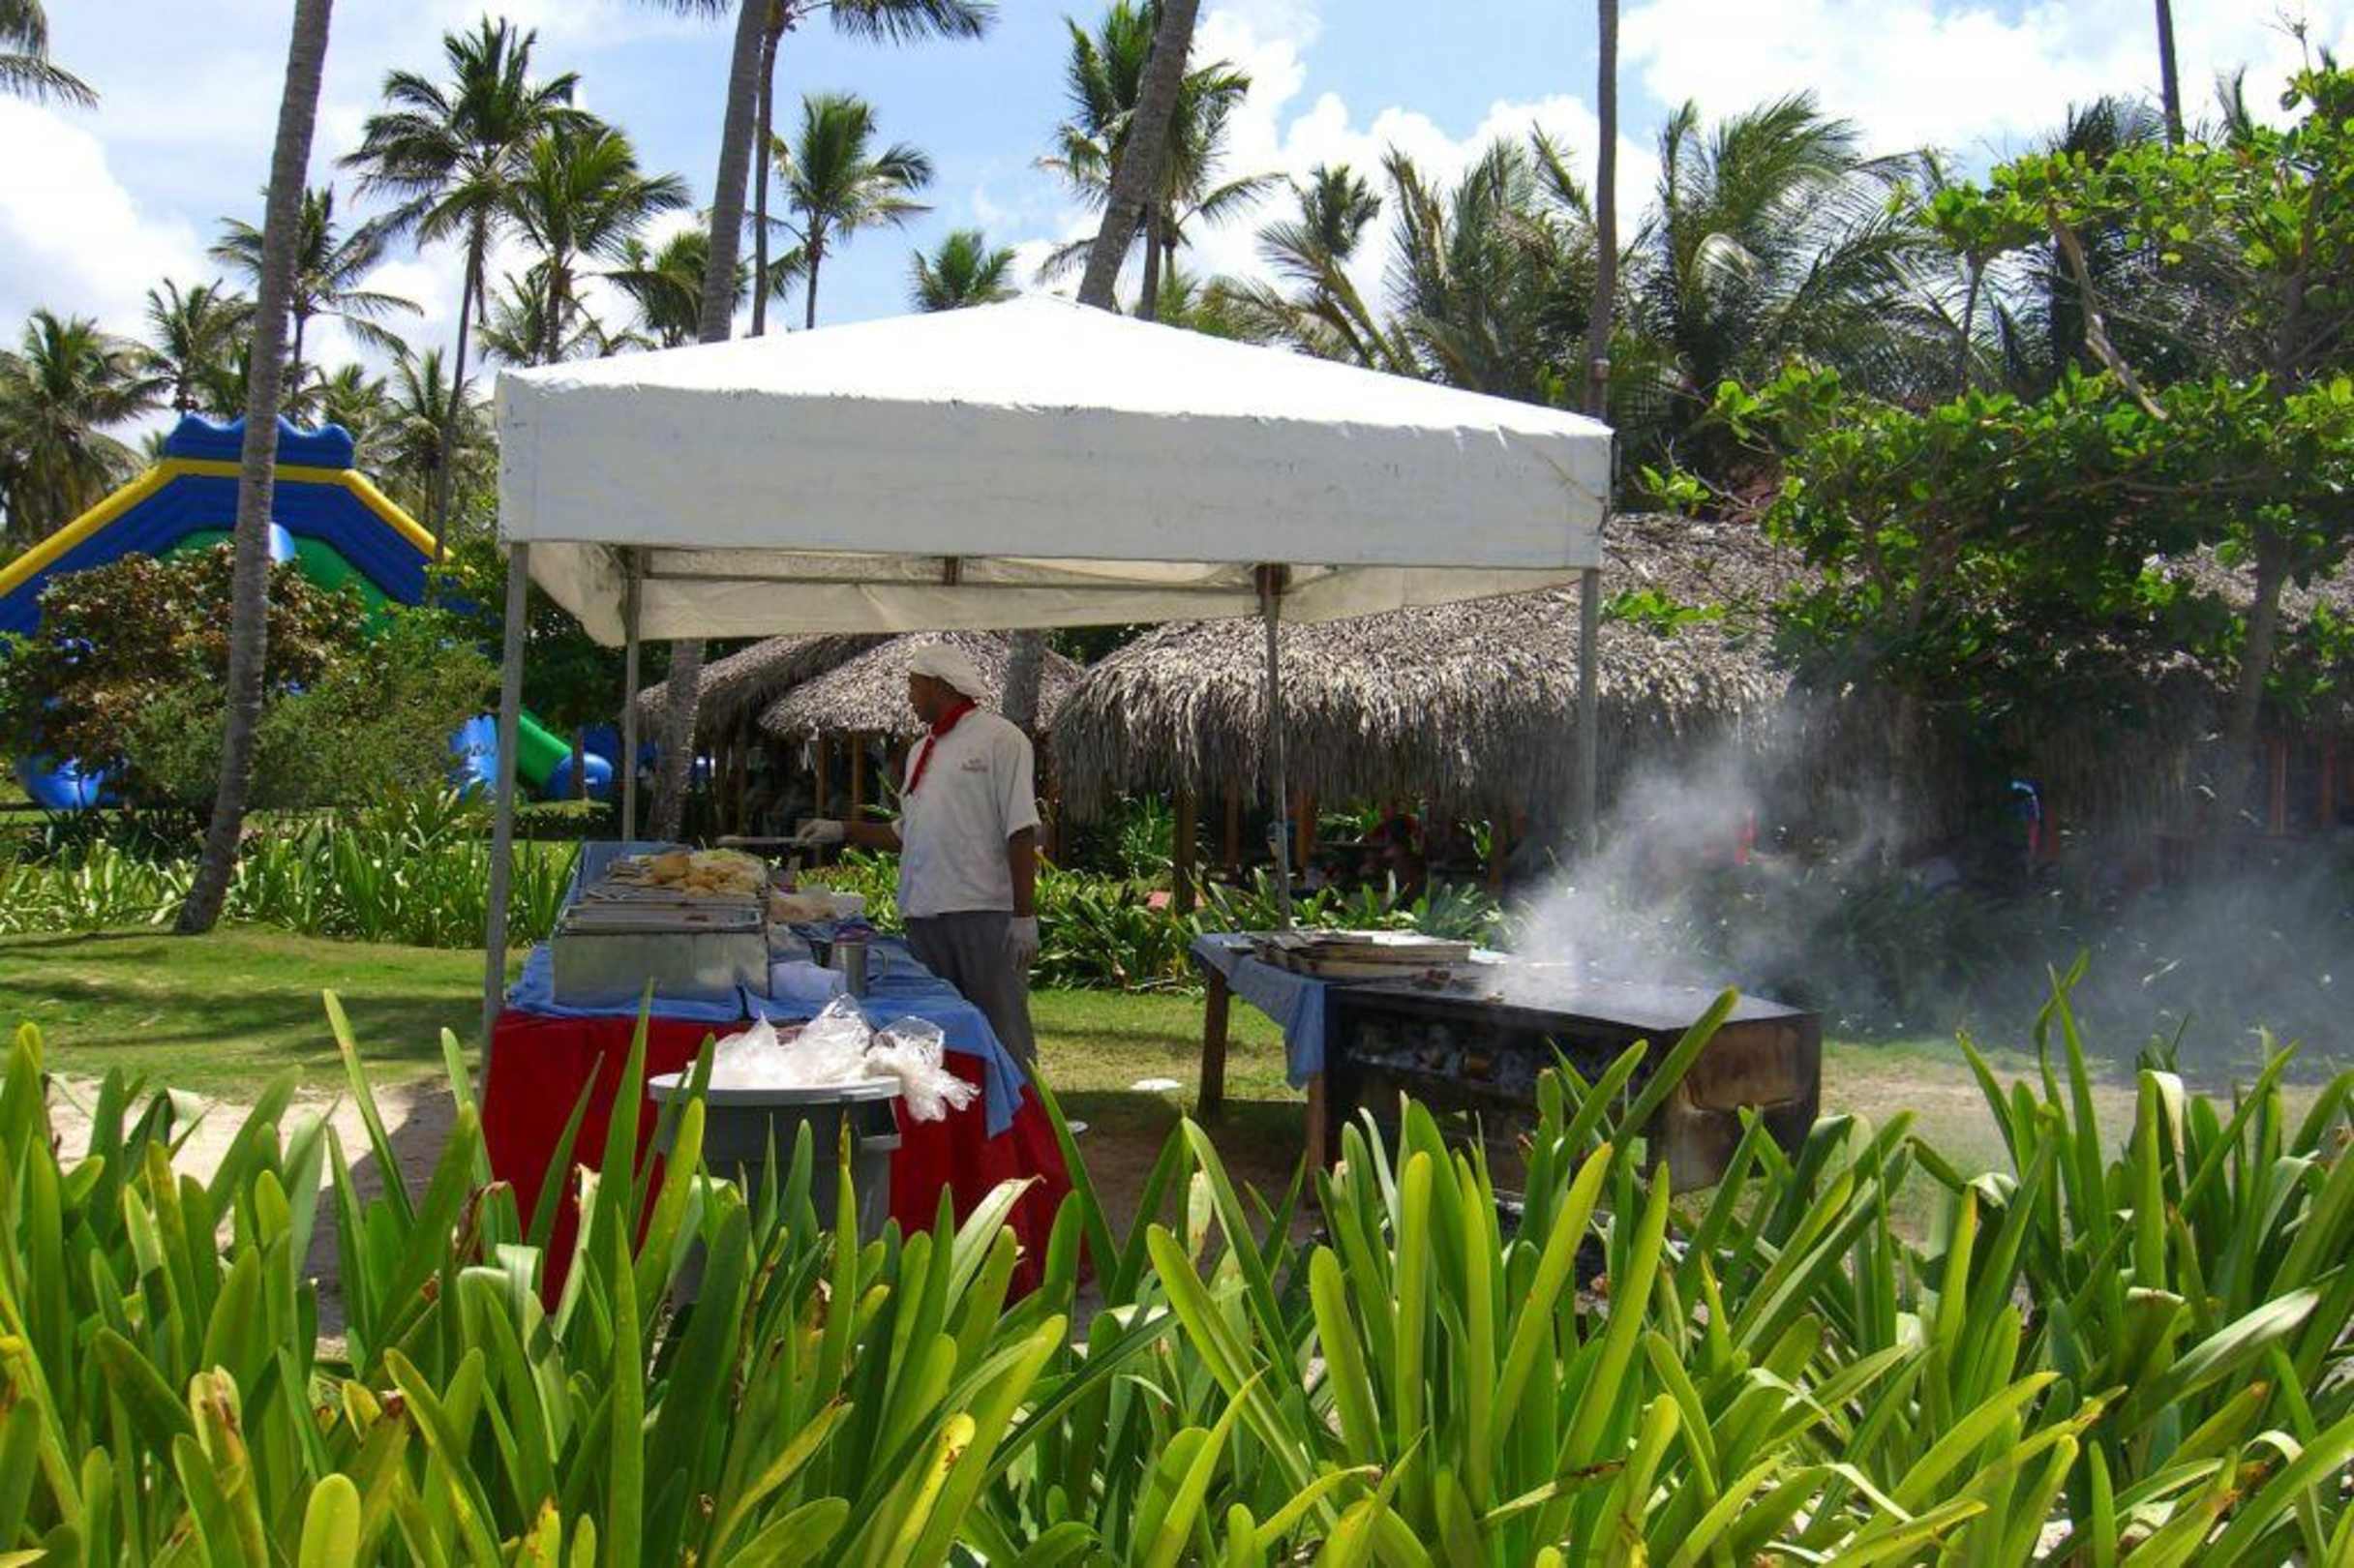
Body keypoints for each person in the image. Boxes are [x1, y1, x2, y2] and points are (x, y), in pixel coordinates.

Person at [796, 641, 1041, 1068]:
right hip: (924, 913)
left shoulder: (1001, 739)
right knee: (939, 1035)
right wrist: (842, 829)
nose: (909, 696)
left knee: (1003, 1029)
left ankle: (1026, 1106)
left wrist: (1024, 916)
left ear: (940, 685)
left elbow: (1021, 828)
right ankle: (956, 1107)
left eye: (914, 685)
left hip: (981, 911)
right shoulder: (920, 751)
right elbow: (907, 832)